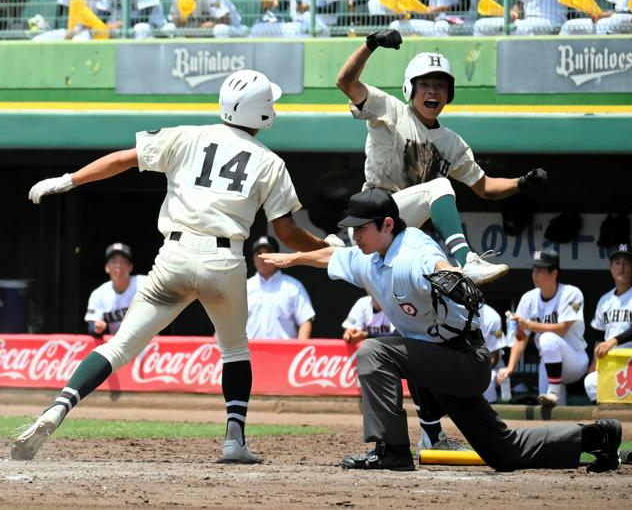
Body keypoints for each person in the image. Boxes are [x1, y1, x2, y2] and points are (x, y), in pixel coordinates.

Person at [12, 69, 340, 463]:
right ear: (263, 112)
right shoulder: (270, 162)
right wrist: (325, 247)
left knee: (118, 347)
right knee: (234, 349)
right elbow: (287, 232)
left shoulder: (187, 134)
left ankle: (57, 408)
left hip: (175, 255)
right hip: (224, 259)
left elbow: (122, 159)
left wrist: (67, 180)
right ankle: (234, 440)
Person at [260, 188, 622, 473]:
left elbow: (433, 260)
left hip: (464, 357)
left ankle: (392, 450)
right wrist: (292, 259)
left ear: (388, 224)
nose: (354, 235)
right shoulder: (369, 254)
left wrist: (451, 273)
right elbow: (331, 256)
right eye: (352, 228)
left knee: (374, 351)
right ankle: (596, 435)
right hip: (436, 362)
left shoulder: (412, 249)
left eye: (361, 227)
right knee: (505, 452)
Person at [335, 30, 549, 285]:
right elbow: (345, 82)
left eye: (440, 86)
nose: (432, 92)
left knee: (446, 290)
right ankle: (467, 259)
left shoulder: (452, 142)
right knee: (439, 187)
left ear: (449, 94)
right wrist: (370, 45)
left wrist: (522, 183)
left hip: (404, 233)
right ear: (410, 88)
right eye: (424, 84)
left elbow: (485, 187)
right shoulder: (390, 109)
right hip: (372, 219)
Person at [342, 293, 468, 453]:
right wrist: (350, 335)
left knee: (416, 359)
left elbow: (400, 336)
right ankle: (394, 445)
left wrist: (366, 335)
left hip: (395, 356)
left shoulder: (394, 300)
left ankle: (430, 435)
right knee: (401, 358)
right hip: (379, 359)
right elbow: (352, 332)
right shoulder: (364, 303)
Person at [497, 249, 589, 407]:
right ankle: (555, 399)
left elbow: (562, 329)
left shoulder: (572, 293)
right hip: (549, 361)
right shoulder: (528, 298)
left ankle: (554, 391)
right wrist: (510, 368)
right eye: (533, 270)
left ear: (554, 274)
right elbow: (521, 337)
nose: (535, 274)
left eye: (540, 270)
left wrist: (529, 324)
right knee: (548, 408)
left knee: (547, 338)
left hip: (574, 360)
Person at [584, 243, 632, 403]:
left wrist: (613, 341)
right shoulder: (605, 300)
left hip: (630, 361)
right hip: (611, 362)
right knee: (590, 381)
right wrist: (594, 363)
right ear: (611, 268)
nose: (622, 267)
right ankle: (607, 421)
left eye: (626, 263)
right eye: (617, 263)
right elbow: (599, 335)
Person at [246, 235, 315, 340]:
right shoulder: (244, 287)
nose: (263, 257)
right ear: (253, 259)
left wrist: (299, 348)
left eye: (268, 253)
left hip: (285, 354)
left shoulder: (293, 286)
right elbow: (230, 321)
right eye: (258, 253)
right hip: (249, 352)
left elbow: (305, 321)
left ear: (278, 256)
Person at [84, 243, 147, 337]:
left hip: (150, 344)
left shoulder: (145, 283)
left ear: (130, 267)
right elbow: (92, 326)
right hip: (119, 347)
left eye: (123, 261)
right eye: (113, 261)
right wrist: (97, 328)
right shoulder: (99, 293)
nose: (118, 265)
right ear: (107, 267)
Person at [170, 0, 248, 38]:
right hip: (202, 32)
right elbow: (176, 23)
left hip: (233, 28)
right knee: (169, 28)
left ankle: (225, 59)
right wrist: (181, 19)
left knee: (220, 30)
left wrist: (201, 28)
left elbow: (226, 19)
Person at [560, 0, 632, 35]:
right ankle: (557, 56)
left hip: (627, 17)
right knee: (568, 26)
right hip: (615, 18)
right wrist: (596, 13)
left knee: (602, 24)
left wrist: (606, 15)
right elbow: (613, 5)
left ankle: (602, 55)